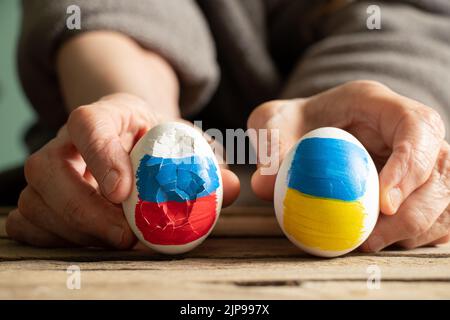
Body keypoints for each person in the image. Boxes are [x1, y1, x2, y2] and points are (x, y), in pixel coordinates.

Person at [5, 0, 449, 252]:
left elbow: (409, 17)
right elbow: (103, 13)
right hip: (93, 195)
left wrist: (371, 127)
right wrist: (137, 112)